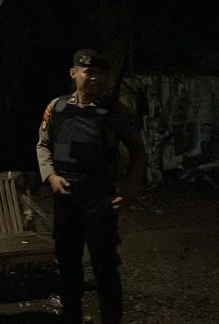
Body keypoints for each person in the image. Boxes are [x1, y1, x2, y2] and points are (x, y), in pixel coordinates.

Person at [36, 49, 147, 324]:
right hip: (66, 198)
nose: (95, 78)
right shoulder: (57, 107)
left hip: (99, 198)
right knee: (68, 265)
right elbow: (43, 145)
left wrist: (130, 189)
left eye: (100, 73)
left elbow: (138, 150)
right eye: (89, 72)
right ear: (73, 73)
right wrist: (50, 176)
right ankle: (71, 316)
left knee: (105, 267)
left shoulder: (114, 111)